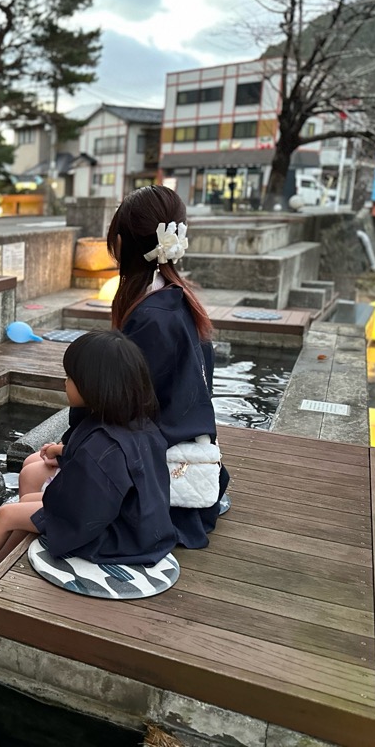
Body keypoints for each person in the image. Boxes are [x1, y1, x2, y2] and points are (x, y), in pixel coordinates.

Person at [0, 330, 178, 577]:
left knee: (6, 514)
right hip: (138, 524)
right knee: (26, 504)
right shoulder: (136, 423)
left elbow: (84, 512)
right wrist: (63, 452)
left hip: (117, 538)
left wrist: (49, 517)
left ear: (94, 386)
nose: (65, 382)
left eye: (70, 377)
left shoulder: (100, 448)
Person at [103, 184, 229, 548]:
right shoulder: (176, 299)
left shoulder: (151, 318)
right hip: (182, 448)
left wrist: (74, 446)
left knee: (35, 472)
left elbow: (128, 410)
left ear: (123, 245)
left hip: (158, 467)